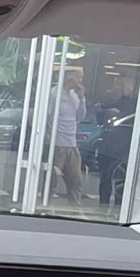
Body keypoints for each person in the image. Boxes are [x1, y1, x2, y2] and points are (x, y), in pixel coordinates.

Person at [52, 71, 87, 205]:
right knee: (52, 181)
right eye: (77, 77)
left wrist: (82, 99)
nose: (79, 81)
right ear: (68, 76)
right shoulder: (55, 93)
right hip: (58, 143)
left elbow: (80, 117)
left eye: (81, 78)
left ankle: (75, 208)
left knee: (75, 181)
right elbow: (49, 116)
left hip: (71, 143)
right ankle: (45, 205)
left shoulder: (74, 95)